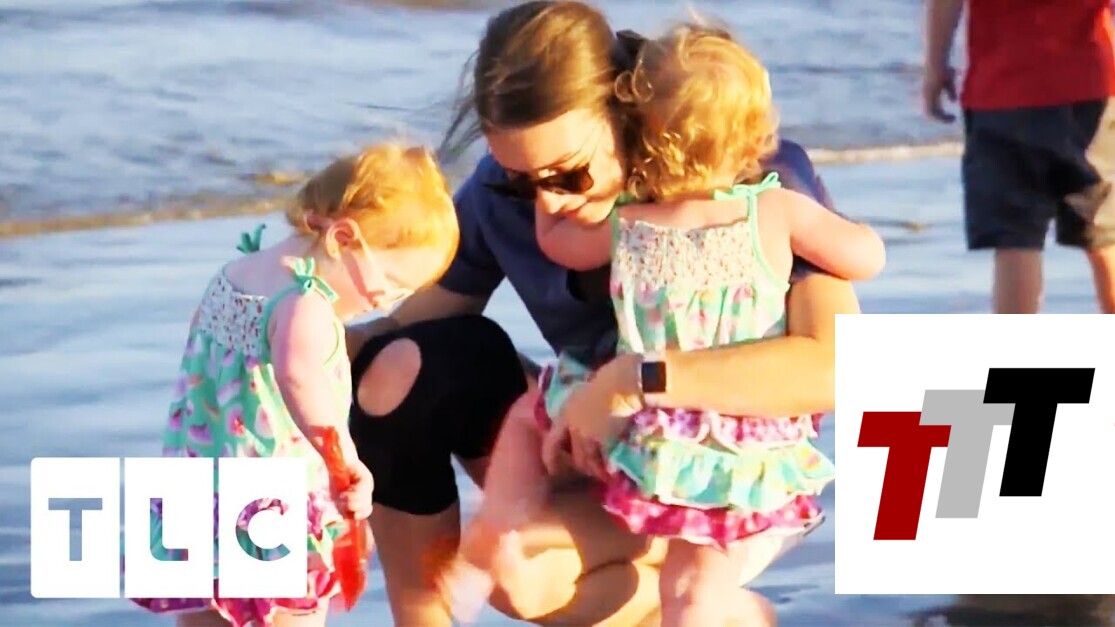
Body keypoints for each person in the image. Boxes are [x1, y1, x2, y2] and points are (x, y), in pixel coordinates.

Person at [345, 2, 862, 625]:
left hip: (725, 473)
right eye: (520, 182)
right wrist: (290, 341)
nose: (546, 203)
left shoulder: (744, 182)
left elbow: (837, 366)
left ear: (627, 115)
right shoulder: (497, 196)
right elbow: (409, 324)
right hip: (600, 455)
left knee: (656, 589)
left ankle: (723, 608)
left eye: (568, 175)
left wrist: (633, 381)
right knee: (398, 369)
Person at [130, 143, 460, 627]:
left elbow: (197, 350)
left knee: (206, 613)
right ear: (343, 238)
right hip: (271, 499)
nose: (388, 301)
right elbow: (299, 378)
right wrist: (345, 460)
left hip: (199, 489)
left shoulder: (234, 273)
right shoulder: (306, 306)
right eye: (391, 283)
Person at [922, 0, 1115, 314]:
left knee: (1015, 239)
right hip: (1089, 85)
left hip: (1002, 91)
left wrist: (935, 65)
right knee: (1105, 234)